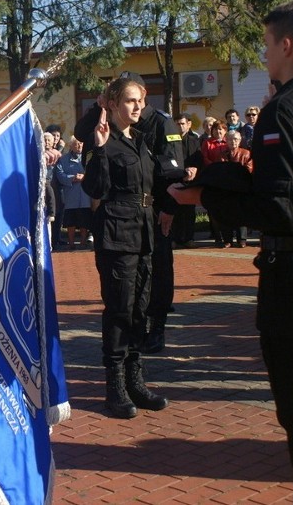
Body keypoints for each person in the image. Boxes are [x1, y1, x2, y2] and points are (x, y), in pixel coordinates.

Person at [169, 0, 293, 504]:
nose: (263, 56)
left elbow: (281, 209)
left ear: (286, 45)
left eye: (266, 45)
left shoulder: (286, 108)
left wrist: (206, 196)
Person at [83, 76, 169, 419]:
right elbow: (95, 188)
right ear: (115, 104)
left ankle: (136, 381)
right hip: (117, 234)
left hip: (144, 233)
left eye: (140, 101)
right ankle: (114, 387)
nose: (137, 107)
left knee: (140, 309)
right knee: (120, 309)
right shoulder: (104, 140)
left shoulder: (142, 140)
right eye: (131, 101)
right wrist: (101, 150)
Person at [216, 130, 253, 248]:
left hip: (241, 188)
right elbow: (221, 169)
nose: (234, 141)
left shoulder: (246, 153)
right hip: (226, 188)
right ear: (226, 140)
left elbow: (248, 169)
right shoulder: (222, 154)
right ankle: (227, 239)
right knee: (226, 214)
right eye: (231, 139)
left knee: (241, 214)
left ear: (240, 140)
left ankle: (242, 239)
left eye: (236, 139)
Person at [54, 136, 92, 250]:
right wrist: (73, 178)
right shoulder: (63, 159)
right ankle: (70, 243)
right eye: (76, 144)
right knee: (70, 220)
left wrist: (85, 177)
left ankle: (83, 242)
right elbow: (60, 174)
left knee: (84, 220)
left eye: (81, 143)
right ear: (71, 146)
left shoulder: (88, 158)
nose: (79, 146)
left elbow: (96, 172)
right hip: (71, 194)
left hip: (85, 194)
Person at [172, 113, 201, 249]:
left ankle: (189, 238)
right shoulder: (171, 139)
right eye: (178, 124)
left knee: (189, 211)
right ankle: (176, 239)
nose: (180, 126)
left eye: (183, 123)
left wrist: (194, 170)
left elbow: (198, 159)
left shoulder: (195, 140)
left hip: (191, 180)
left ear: (189, 124)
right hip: (176, 178)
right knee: (175, 210)